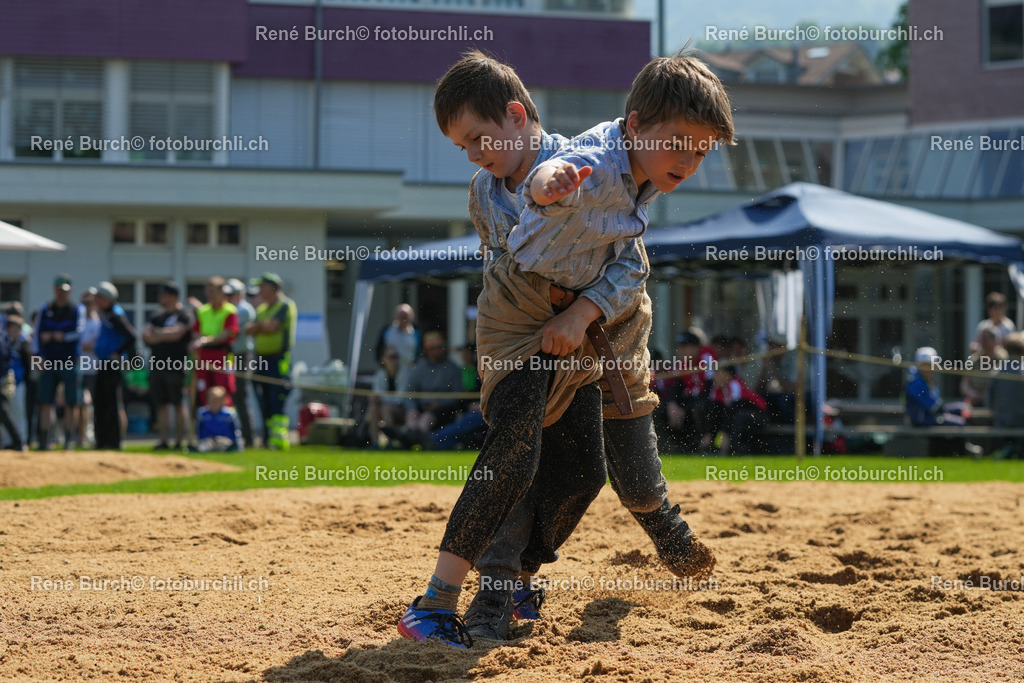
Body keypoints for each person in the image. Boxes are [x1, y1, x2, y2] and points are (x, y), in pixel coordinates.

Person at [399, 50, 731, 646]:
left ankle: (520, 578)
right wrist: (549, 187)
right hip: (519, 314)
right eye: (465, 146)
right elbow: (561, 175)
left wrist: (579, 310)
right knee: (517, 451)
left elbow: (619, 247)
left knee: (584, 470)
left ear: (517, 115)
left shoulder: (633, 175)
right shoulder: (574, 166)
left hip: (582, 321)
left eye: (700, 149)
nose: (689, 157)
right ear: (637, 128)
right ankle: (437, 602)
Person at [244, 272, 297, 450]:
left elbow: (272, 328)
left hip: (278, 359)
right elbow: (249, 330)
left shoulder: (285, 305)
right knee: (263, 398)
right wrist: (261, 326)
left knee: (277, 398)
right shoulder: (262, 309)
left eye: (262, 286)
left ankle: (279, 439)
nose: (259, 290)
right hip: (260, 359)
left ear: (273, 288)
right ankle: (267, 438)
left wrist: (261, 327)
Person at [33, 274, 85, 449]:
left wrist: (57, 336)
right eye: (58, 290)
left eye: (64, 290)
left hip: (70, 361)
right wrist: (38, 355)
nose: (61, 293)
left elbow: (79, 333)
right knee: (45, 402)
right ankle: (44, 441)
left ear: (70, 290)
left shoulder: (76, 308)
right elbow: (37, 334)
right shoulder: (45, 308)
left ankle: (69, 440)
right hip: (49, 361)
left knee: (72, 402)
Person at [143, 282, 194, 450]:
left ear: (173, 296)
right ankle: (163, 441)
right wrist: (166, 334)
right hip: (157, 366)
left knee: (178, 404)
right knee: (161, 405)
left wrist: (159, 334)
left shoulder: (184, 315)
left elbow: (177, 335)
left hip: (176, 367)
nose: (160, 298)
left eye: (163, 295)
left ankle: (180, 441)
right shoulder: (156, 316)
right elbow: (146, 336)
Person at [92, 282, 137, 450]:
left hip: (112, 365)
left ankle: (112, 441)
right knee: (101, 403)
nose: (96, 300)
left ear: (107, 299)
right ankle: (102, 440)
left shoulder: (114, 315)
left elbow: (131, 336)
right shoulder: (106, 314)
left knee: (110, 403)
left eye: (99, 297)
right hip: (104, 364)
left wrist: (117, 352)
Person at [400, 332, 464, 436]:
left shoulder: (452, 368)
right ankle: (408, 436)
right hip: (421, 407)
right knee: (412, 419)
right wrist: (412, 409)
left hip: (444, 410)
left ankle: (411, 438)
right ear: (429, 350)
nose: (441, 350)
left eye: (442, 347)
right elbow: (409, 393)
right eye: (437, 348)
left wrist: (440, 403)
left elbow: (458, 394)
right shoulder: (419, 368)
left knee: (425, 420)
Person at [190, 277, 238, 408]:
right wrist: (197, 341)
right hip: (204, 355)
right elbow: (196, 332)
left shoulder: (230, 310)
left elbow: (228, 333)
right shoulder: (203, 311)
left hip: (223, 354)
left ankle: (226, 421)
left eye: (212, 291)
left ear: (222, 292)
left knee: (224, 389)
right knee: (202, 388)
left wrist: (204, 340)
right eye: (208, 291)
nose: (209, 294)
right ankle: (207, 421)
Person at [702, 365, 769, 455]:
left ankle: (735, 448)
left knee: (738, 417)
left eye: (719, 373)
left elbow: (733, 409)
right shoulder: (717, 388)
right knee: (718, 413)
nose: (715, 377)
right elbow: (715, 411)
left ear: (728, 376)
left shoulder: (735, 385)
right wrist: (709, 433)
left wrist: (725, 435)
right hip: (739, 413)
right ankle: (710, 446)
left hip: (759, 414)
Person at [665, 331, 714, 452]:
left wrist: (684, 407)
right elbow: (676, 388)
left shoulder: (707, 359)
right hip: (692, 400)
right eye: (680, 347)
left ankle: (706, 445)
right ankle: (673, 446)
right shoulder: (683, 364)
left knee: (698, 408)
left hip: (711, 402)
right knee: (664, 407)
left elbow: (710, 390)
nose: (681, 350)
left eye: (685, 347)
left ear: (696, 348)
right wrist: (673, 405)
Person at [225, 278, 256, 448]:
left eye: (231, 294)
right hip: (229, 356)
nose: (228, 297)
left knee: (240, 397)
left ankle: (248, 438)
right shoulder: (231, 309)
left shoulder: (244, 309)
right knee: (229, 396)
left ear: (240, 294)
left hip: (242, 356)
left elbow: (230, 329)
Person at [905, 347, 968, 426]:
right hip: (921, 420)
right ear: (918, 366)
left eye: (929, 365)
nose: (927, 369)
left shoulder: (926, 380)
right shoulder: (916, 382)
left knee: (961, 408)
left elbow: (937, 406)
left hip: (927, 416)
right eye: (924, 365)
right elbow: (934, 408)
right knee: (960, 422)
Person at [987, 332, 1024, 459]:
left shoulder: (997, 371)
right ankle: (1015, 450)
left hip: (1002, 422)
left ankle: (1010, 450)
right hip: (1020, 422)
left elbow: (989, 401)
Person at [367, 344, 406, 447]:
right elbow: (377, 392)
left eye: (396, 356)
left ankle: (390, 442)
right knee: (373, 408)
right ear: (383, 359)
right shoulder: (380, 374)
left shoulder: (404, 373)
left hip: (404, 410)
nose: (394, 360)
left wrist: (382, 398)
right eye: (391, 357)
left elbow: (401, 398)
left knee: (385, 408)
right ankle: (375, 443)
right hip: (387, 408)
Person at [961, 323, 1007, 406]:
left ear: (995, 340)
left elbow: (1004, 387)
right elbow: (964, 385)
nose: (982, 342)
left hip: (996, 403)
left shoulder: (1003, 361)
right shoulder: (973, 360)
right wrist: (973, 394)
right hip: (974, 402)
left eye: (986, 338)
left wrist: (984, 396)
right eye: (981, 338)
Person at [77, 288, 101, 447]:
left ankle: (88, 434)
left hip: (93, 368)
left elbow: (95, 345)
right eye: (85, 302)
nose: (87, 305)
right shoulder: (79, 320)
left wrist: (87, 346)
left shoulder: (98, 321)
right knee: (79, 403)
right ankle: (80, 436)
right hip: (78, 367)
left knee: (89, 403)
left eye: (90, 302)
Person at [0, 318, 26, 451]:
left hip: (5, 379)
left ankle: (18, 441)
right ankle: (14, 442)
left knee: (5, 410)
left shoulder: (4, 338)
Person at [5, 315, 30, 448]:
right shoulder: (4, 342)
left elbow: (27, 365)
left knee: (19, 411)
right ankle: (7, 441)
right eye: (12, 329)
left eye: (17, 329)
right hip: (5, 384)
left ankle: (21, 440)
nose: (14, 332)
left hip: (19, 382)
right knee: (6, 413)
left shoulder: (23, 346)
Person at [195, 386, 243, 453]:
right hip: (207, 441)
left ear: (223, 401)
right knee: (204, 447)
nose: (214, 403)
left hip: (225, 441)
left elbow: (236, 431)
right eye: (212, 400)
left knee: (225, 447)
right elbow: (197, 431)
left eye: (217, 400)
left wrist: (239, 446)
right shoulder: (202, 413)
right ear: (207, 400)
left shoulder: (229, 413)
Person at [377, 303, 421, 369]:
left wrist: (415, 364)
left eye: (405, 316)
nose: (403, 319)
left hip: (409, 371)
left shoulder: (416, 333)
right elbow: (379, 350)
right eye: (401, 315)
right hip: (389, 371)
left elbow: (420, 352)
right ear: (395, 316)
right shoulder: (386, 331)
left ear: (411, 317)